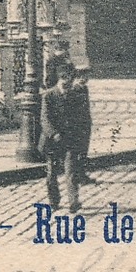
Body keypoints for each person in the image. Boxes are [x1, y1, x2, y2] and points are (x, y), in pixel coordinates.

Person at [40, 65, 81, 212]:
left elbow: (80, 118)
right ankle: (54, 201)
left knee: (70, 171)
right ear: (59, 79)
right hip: (52, 141)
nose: (67, 84)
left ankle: (73, 201)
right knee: (51, 173)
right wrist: (54, 133)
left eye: (69, 80)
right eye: (64, 80)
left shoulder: (75, 95)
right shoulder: (49, 95)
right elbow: (45, 119)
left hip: (69, 140)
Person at [68, 66, 94, 185]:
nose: (85, 79)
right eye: (83, 76)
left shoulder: (84, 88)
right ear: (77, 77)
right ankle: (76, 176)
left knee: (83, 150)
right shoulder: (73, 89)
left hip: (85, 124)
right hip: (76, 125)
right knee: (76, 151)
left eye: (86, 76)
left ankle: (81, 175)